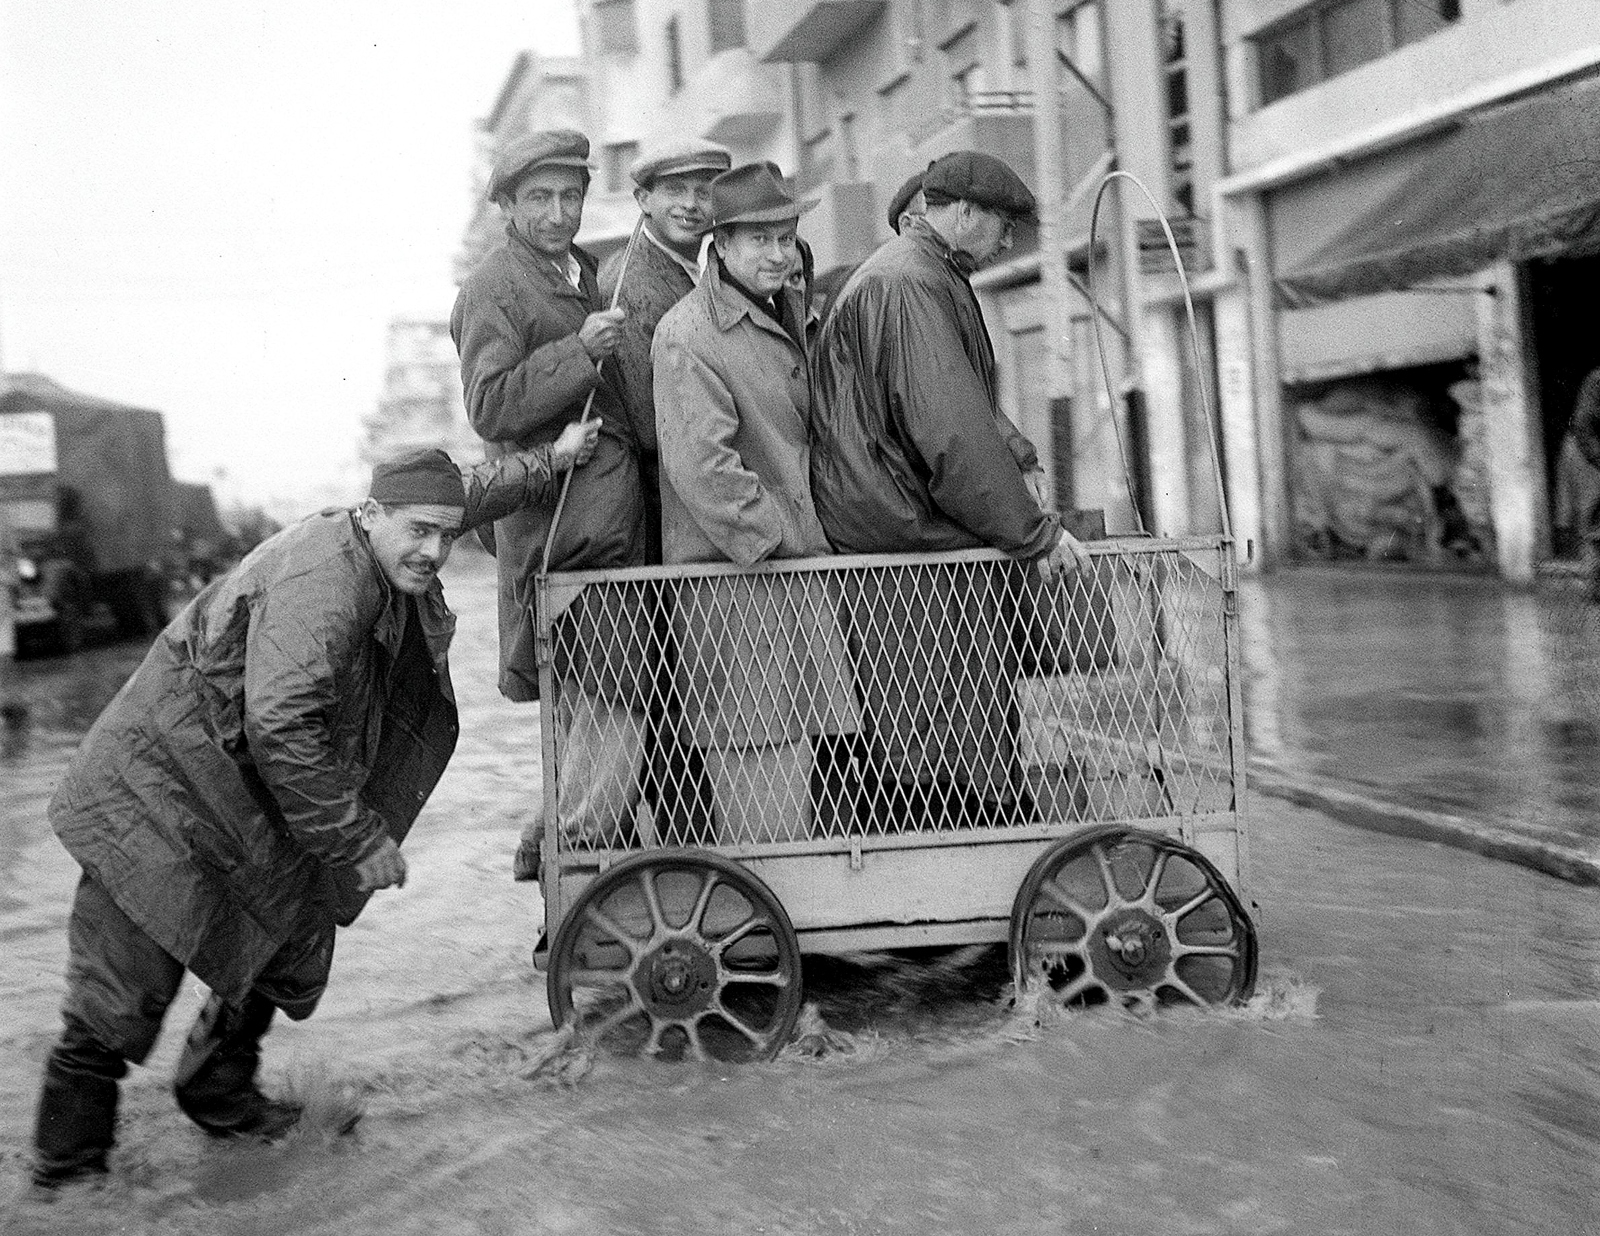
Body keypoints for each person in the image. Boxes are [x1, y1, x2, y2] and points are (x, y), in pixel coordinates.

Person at [28, 430, 598, 1194]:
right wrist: (357, 839)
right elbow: (281, 724)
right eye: (417, 532)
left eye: (443, 533)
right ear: (370, 515)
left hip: (238, 789)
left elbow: (468, 490)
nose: (432, 550)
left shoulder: (391, 533)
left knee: (296, 927)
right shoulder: (324, 580)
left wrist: (548, 463)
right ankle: (66, 1180)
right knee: (122, 992)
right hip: (158, 791)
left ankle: (218, 1092)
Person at [810, 150, 1090, 824]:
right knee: (942, 716)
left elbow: (961, 409)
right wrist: (1033, 535)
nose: (1008, 241)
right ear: (962, 212)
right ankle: (960, 864)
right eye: (1002, 224)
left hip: (893, 519)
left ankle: (957, 846)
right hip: (902, 526)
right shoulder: (912, 282)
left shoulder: (919, 273)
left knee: (937, 710)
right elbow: (952, 431)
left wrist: (1018, 458)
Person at [451, 129, 651, 879]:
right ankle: (574, 883)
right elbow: (491, 406)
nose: (558, 213)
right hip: (559, 539)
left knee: (597, 710)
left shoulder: (578, 269)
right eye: (539, 198)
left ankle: (555, 866)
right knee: (609, 700)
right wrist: (582, 352)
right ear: (506, 204)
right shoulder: (492, 287)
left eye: (570, 195)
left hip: (599, 528)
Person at [652, 162, 859, 842]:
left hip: (785, 581)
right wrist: (790, 538)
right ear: (721, 245)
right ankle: (758, 933)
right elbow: (705, 470)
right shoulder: (689, 333)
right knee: (753, 756)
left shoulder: (784, 310)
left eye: (786, 237)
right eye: (758, 240)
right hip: (736, 589)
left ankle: (783, 925)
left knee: (799, 754)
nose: (776, 254)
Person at [599, 137, 731, 562]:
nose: (691, 205)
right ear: (643, 199)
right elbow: (651, 424)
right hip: (660, 510)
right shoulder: (633, 281)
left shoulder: (696, 270)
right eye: (675, 190)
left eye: (704, 191)